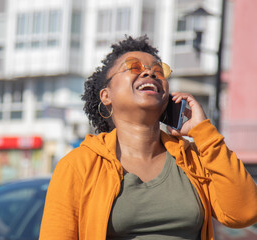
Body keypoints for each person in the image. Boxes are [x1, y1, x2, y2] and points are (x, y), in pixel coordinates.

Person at [39, 35, 257, 240]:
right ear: (106, 96)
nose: (150, 73)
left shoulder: (191, 159)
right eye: (134, 67)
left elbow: (245, 212)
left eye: (158, 71)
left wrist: (203, 132)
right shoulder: (79, 165)